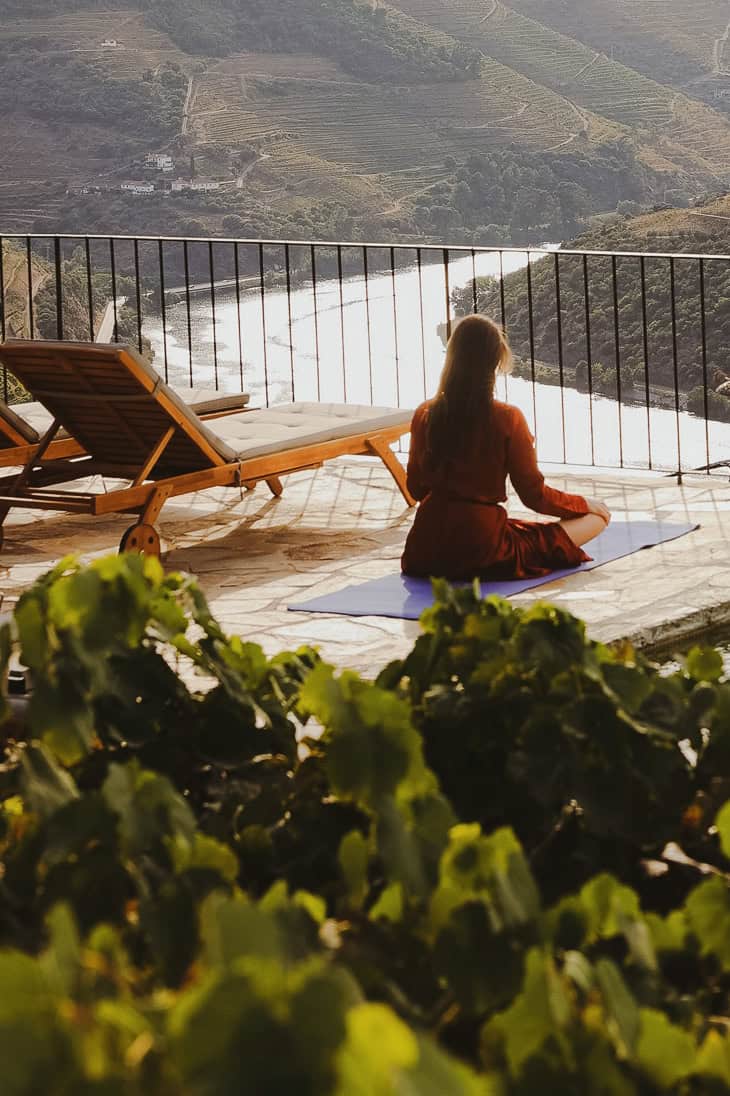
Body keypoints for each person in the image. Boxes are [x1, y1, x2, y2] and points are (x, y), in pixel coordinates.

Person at [401, 314, 610, 580]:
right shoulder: (507, 418)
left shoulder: (425, 413)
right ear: (496, 361)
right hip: (485, 550)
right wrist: (584, 504)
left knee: (515, 528)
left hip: (424, 551)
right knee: (598, 518)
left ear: (451, 356)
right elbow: (534, 496)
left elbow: (416, 489)